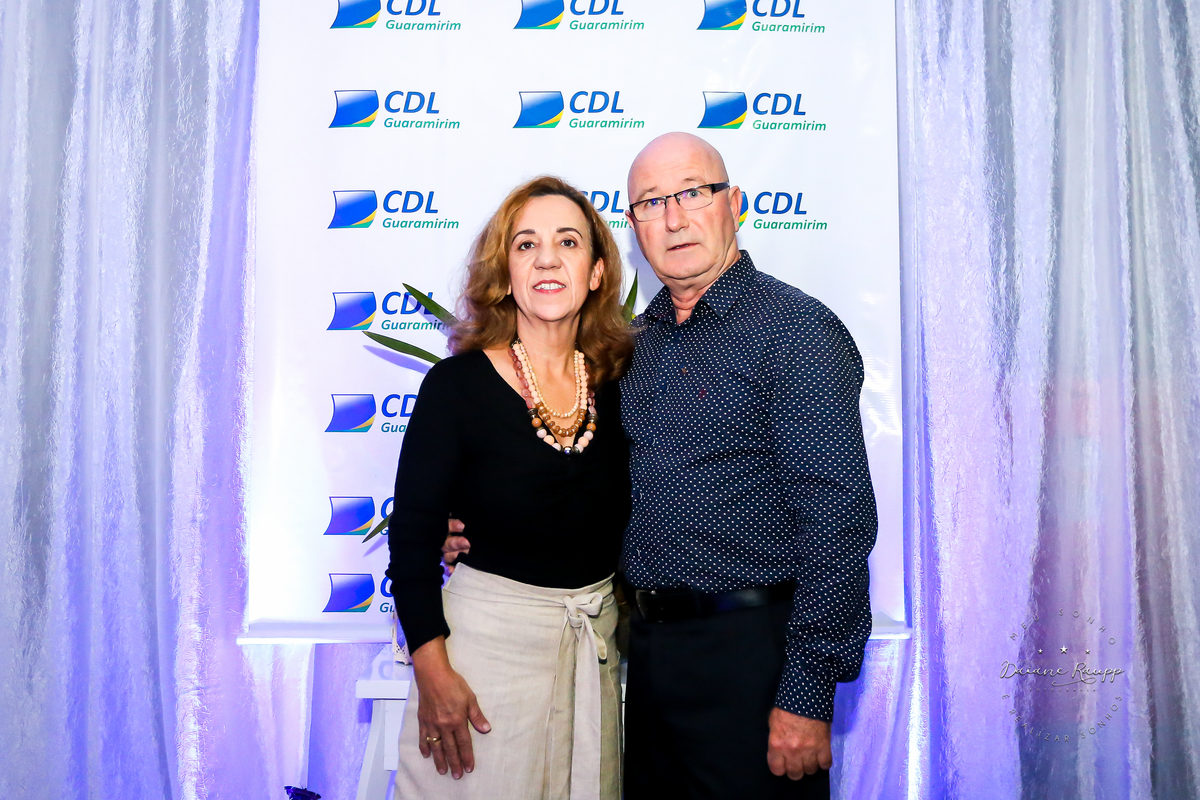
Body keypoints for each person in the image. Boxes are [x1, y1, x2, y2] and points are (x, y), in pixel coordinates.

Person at [618, 132, 878, 799]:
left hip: (756, 660)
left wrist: (807, 691)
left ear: (734, 203)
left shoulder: (796, 331)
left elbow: (838, 522)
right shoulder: (634, 347)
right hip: (649, 659)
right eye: (651, 202)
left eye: (692, 193)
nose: (674, 218)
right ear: (634, 226)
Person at [386, 175, 634, 800]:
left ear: (597, 272)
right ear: (505, 274)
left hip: (591, 655)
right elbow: (412, 538)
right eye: (526, 245)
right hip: (480, 665)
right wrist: (433, 672)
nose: (547, 259)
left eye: (568, 242)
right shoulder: (456, 387)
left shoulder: (624, 386)